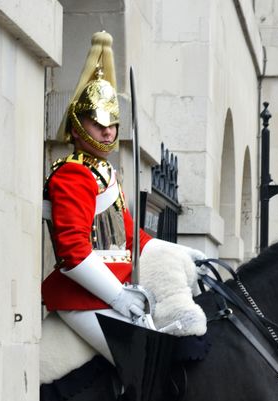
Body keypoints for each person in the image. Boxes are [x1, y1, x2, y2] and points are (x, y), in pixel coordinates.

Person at [42, 31, 207, 364]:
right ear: (76, 127)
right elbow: (74, 254)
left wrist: (181, 252)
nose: (108, 131)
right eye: (98, 122)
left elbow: (132, 238)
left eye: (113, 123)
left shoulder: (104, 172)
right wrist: (117, 296)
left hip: (117, 289)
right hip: (83, 296)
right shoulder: (72, 174)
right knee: (147, 362)